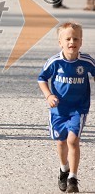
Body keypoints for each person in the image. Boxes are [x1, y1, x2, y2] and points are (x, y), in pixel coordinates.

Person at [37, 21, 94, 193]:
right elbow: (41, 79)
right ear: (60, 43)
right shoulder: (54, 62)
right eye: (67, 39)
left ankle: (73, 178)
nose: (72, 42)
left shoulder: (86, 61)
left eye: (75, 38)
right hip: (58, 110)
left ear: (81, 42)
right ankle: (64, 169)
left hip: (79, 109)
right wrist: (49, 95)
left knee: (72, 140)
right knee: (61, 142)